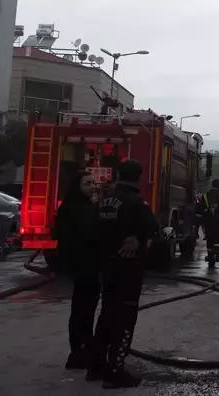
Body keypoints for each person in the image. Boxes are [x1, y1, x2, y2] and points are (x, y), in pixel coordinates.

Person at [91, 160, 158, 389]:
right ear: (138, 177)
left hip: (106, 265)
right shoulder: (136, 201)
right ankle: (115, 372)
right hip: (128, 267)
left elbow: (98, 229)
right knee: (125, 319)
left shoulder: (104, 200)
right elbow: (153, 226)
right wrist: (137, 238)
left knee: (106, 315)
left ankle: (96, 367)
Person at [55, 171, 100, 371]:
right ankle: (79, 352)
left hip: (87, 265)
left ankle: (84, 348)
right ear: (77, 187)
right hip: (83, 265)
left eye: (93, 182)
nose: (92, 186)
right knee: (82, 309)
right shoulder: (74, 208)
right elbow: (87, 232)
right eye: (87, 183)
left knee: (86, 309)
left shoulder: (80, 206)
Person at [198, 179, 219, 268]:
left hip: (208, 222)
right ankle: (215, 254)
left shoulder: (205, 195)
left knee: (210, 239)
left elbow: (200, 209)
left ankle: (211, 254)